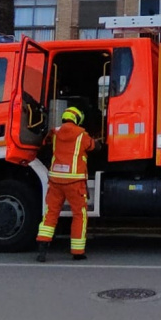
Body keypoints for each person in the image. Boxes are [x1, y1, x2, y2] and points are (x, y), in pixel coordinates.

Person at [35, 107, 96, 262]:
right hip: (74, 182)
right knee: (79, 215)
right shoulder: (81, 134)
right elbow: (93, 147)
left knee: (51, 213)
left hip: (56, 180)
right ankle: (77, 251)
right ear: (77, 119)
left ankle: (42, 248)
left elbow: (45, 143)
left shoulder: (55, 133)